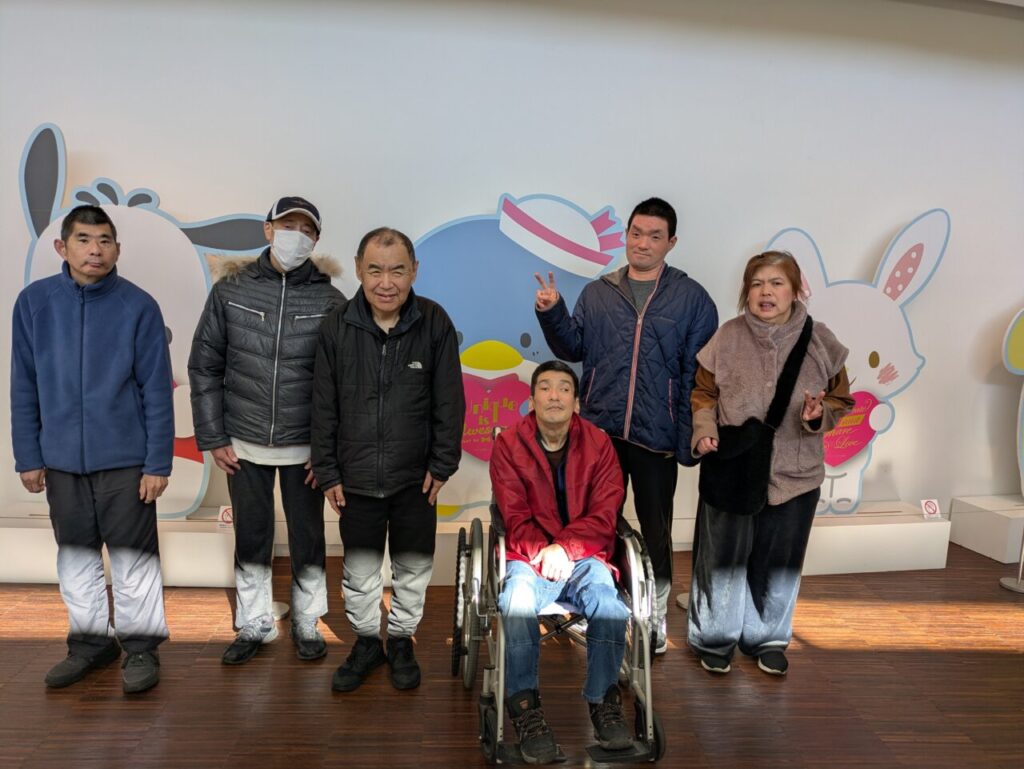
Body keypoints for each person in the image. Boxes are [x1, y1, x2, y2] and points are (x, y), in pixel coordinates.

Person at [535, 197, 718, 653]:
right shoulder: (598, 293)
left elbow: (699, 377)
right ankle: (600, 606)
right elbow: (573, 348)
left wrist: (685, 440)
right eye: (636, 233)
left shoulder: (692, 299)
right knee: (596, 523)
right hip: (601, 435)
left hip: (657, 439)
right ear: (626, 235)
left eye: (655, 236)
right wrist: (553, 311)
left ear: (671, 242)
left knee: (656, 530)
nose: (643, 243)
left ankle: (653, 618)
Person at [11, 205, 173, 693]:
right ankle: (89, 645)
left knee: (133, 560)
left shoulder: (139, 306)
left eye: (104, 240)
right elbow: (23, 384)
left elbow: (156, 390)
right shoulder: (33, 304)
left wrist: (158, 462)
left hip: (126, 461)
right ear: (62, 247)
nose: (95, 250)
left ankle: (141, 649)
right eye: (83, 239)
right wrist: (28, 455)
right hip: (60, 461)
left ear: (118, 249)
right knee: (75, 558)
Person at [188, 196, 344, 665]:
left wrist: (328, 450)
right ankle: (254, 619)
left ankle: (307, 618)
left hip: (305, 446)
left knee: (307, 535)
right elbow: (204, 366)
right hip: (242, 440)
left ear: (316, 239)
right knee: (252, 535)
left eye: (306, 230)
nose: (297, 235)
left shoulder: (331, 301)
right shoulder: (230, 291)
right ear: (268, 229)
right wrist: (213, 436)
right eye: (288, 225)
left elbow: (343, 382)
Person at [311, 227, 464, 692]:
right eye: (375, 270)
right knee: (359, 572)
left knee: (412, 568)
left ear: (414, 271)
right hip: (355, 478)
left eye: (397, 270)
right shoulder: (336, 326)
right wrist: (328, 471)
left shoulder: (434, 322)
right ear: (359, 269)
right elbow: (322, 406)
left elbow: (449, 401)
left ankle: (400, 640)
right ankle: (365, 643)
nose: (386, 282)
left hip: (416, 479)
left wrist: (442, 464)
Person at [687, 250, 853, 675]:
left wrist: (819, 414)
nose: (766, 292)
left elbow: (841, 399)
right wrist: (704, 428)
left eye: (777, 283)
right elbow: (703, 393)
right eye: (757, 283)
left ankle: (768, 638)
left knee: (780, 561)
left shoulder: (821, 340)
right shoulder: (727, 337)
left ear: (795, 290)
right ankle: (714, 637)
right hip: (734, 466)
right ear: (746, 291)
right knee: (722, 559)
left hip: (795, 472)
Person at [490, 360, 633, 763]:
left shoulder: (599, 444)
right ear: (531, 399)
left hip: (585, 555)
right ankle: (526, 710)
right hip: (528, 555)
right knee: (516, 602)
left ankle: (604, 703)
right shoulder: (509, 444)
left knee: (608, 604)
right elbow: (513, 514)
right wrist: (545, 551)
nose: (554, 396)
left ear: (576, 402)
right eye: (545, 388)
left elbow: (606, 511)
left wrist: (566, 549)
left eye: (564, 388)